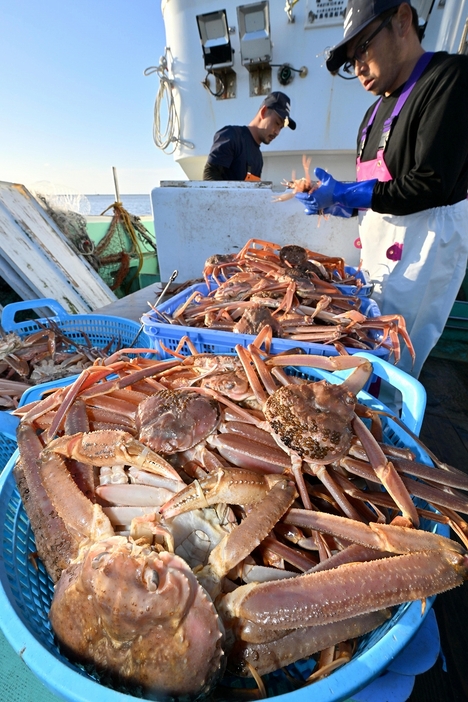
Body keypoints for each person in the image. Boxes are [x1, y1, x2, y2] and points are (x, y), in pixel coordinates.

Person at [296, 0, 468, 377]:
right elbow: (376, 192)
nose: (357, 67)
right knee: (367, 351)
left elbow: (430, 183)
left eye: (363, 47)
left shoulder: (449, 78)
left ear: (402, 20)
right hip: (376, 254)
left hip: (424, 253)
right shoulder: (372, 113)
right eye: (349, 60)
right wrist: (335, 202)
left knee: (399, 360)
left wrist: (346, 193)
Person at [203, 91, 296, 181]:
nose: (277, 132)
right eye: (276, 123)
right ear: (263, 112)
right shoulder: (231, 136)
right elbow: (209, 176)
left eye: (281, 127)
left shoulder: (258, 158)